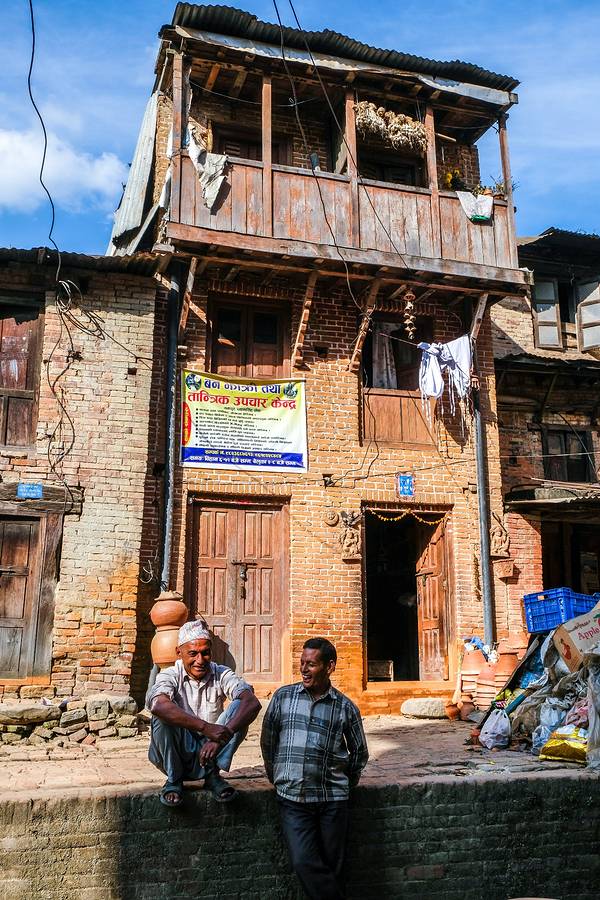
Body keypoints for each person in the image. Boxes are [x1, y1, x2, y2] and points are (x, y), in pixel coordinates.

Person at [261, 637, 369, 899]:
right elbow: (268, 740)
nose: (304, 669)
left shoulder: (345, 707)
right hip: (293, 798)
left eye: (311, 664)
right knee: (303, 861)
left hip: (332, 799)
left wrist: (345, 780)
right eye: (302, 663)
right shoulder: (283, 697)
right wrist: (277, 774)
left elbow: (360, 752)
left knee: (334, 866)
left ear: (329, 667)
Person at [147, 619, 261, 807]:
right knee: (162, 714)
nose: (200, 661)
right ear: (179, 653)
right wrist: (206, 728)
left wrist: (221, 737)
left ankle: (212, 776)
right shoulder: (169, 675)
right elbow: (158, 705)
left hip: (211, 750)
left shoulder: (221, 673)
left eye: (205, 653)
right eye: (193, 654)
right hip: (178, 753)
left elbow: (252, 703)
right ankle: (174, 780)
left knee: (241, 707)